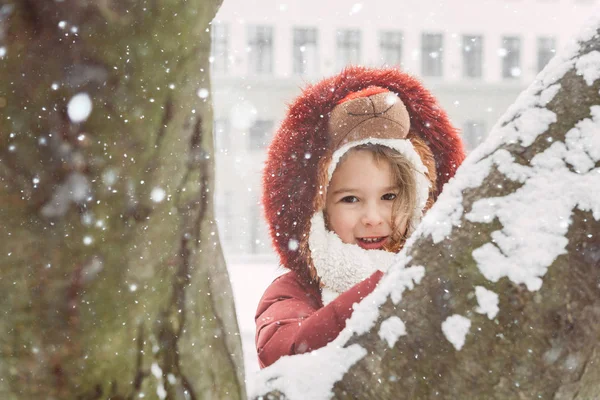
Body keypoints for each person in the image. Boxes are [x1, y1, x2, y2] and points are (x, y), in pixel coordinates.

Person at [255, 66, 465, 368]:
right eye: (350, 199)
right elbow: (286, 351)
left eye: (389, 197)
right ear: (319, 209)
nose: (372, 217)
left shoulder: (443, 280)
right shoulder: (293, 291)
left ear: (419, 201)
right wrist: (388, 287)